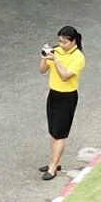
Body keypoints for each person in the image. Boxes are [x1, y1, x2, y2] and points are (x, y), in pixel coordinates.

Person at [39, 25, 86, 181]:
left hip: (67, 97)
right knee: (53, 131)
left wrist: (56, 59)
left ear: (73, 42)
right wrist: (45, 56)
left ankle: (53, 167)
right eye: (59, 41)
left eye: (65, 42)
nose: (61, 45)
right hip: (53, 94)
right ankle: (54, 162)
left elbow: (65, 76)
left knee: (60, 134)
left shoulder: (78, 57)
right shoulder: (56, 50)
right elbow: (42, 70)